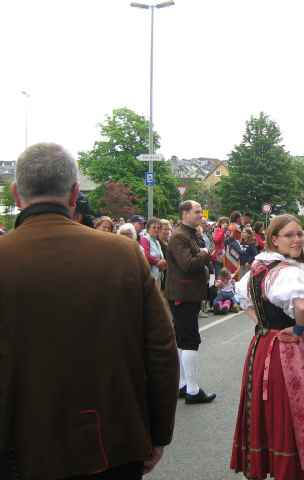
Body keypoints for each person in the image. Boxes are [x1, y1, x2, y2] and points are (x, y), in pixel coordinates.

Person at [0, 143, 178, 479]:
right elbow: (161, 350)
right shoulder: (123, 254)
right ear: (74, 194)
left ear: (16, 194)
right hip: (112, 444)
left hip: (16, 449)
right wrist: (157, 435)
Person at [230, 214, 304, 479]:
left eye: (299, 234)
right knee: (291, 408)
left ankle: (265, 462)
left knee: (264, 406)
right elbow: (302, 305)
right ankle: (290, 467)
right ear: (274, 239)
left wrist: (263, 324)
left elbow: (243, 302)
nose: (297, 239)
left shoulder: (257, 268)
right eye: (289, 235)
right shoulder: (287, 271)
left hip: (262, 345)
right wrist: (298, 329)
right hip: (287, 348)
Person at [166, 200, 217, 405]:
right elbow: (187, 265)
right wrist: (204, 254)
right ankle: (193, 390)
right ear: (185, 213)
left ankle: (183, 385)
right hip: (184, 294)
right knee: (189, 340)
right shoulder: (180, 235)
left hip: (187, 293)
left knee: (183, 339)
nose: (200, 215)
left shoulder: (189, 233)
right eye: (197, 212)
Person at [140, 217, 168, 287]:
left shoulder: (156, 241)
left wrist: (163, 263)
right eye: (154, 227)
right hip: (149, 275)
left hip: (157, 274)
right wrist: (158, 262)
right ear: (148, 228)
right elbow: (146, 255)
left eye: (158, 228)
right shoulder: (145, 239)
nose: (156, 230)